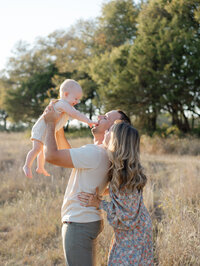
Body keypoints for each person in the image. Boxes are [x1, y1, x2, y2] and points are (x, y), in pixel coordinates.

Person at [43, 104, 131, 266]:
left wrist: (49, 123)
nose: (98, 117)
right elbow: (69, 156)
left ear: (112, 130)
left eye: (105, 117)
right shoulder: (104, 154)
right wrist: (58, 129)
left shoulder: (95, 153)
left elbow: (52, 156)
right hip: (88, 220)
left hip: (79, 223)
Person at [78, 121, 154, 265]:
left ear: (116, 142)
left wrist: (99, 203)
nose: (105, 132)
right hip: (137, 230)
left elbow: (127, 216)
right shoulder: (122, 169)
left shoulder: (123, 176)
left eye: (109, 131)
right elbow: (120, 197)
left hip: (134, 234)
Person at [23, 79, 96, 178]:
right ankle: (27, 165)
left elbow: (74, 113)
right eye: (76, 98)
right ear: (66, 94)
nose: (77, 101)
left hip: (48, 129)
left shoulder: (66, 105)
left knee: (42, 149)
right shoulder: (62, 104)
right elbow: (75, 114)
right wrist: (88, 121)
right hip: (40, 129)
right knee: (36, 148)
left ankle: (40, 167)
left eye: (78, 99)